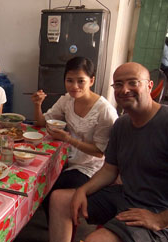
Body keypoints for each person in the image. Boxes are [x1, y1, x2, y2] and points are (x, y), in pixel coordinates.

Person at [49, 62, 168, 242]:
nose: (125, 90)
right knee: (59, 199)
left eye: (133, 83)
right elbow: (109, 170)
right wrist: (83, 190)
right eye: (118, 84)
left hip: (157, 210)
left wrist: (159, 219)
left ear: (149, 86)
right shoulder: (121, 124)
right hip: (124, 196)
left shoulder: (165, 122)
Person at [32, 56, 118, 194]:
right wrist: (37, 105)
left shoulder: (104, 111)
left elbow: (99, 152)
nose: (74, 86)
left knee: (50, 191)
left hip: (90, 168)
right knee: (37, 178)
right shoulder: (67, 99)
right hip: (65, 158)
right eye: (69, 80)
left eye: (80, 81)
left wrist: (68, 139)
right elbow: (42, 123)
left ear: (91, 81)